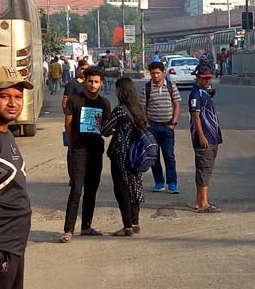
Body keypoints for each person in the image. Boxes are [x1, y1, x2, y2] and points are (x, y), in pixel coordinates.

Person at [60, 66, 111, 243]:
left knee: (91, 190)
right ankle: (68, 229)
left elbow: (105, 128)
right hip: (78, 151)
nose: (93, 84)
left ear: (101, 83)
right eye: (90, 81)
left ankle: (86, 227)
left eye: (96, 82)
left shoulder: (104, 103)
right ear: (85, 81)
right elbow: (68, 125)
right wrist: (73, 146)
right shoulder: (74, 101)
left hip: (96, 151)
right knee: (76, 190)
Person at [0, 66, 33, 289]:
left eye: (18, 96)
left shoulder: (6, 133)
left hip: (13, 247)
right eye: (4, 96)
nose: (13, 103)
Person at [101, 78, 146, 237]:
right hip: (136, 155)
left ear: (121, 90)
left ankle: (127, 226)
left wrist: (106, 127)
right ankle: (135, 222)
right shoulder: (138, 108)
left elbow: (105, 129)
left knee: (122, 189)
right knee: (134, 186)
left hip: (121, 154)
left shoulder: (120, 110)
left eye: (116, 88)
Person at [140, 62, 181, 194]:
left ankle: (172, 183)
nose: (156, 75)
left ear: (163, 73)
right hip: (152, 128)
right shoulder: (146, 88)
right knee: (154, 156)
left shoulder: (171, 86)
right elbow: (142, 108)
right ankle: (159, 182)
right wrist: (146, 124)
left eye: (158, 73)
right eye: (153, 73)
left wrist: (173, 123)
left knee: (169, 156)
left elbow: (176, 105)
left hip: (167, 127)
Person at [189, 65, 222, 213]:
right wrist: (201, 136)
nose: (208, 80)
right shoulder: (196, 94)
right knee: (204, 169)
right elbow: (195, 116)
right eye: (205, 78)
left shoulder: (204, 93)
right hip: (205, 138)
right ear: (198, 78)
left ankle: (199, 200)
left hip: (211, 137)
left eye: (209, 78)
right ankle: (204, 203)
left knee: (204, 169)